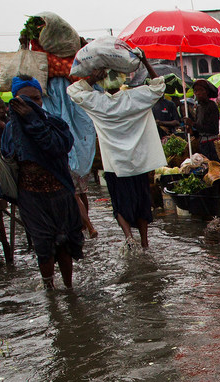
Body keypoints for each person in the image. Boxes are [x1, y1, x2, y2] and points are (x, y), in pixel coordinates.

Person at [68, 53, 167, 250]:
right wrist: (146, 61)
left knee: (120, 204)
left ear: (103, 81)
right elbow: (159, 86)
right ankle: (145, 242)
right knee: (141, 203)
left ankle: (129, 237)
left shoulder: (99, 103)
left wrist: (93, 77)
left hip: (115, 164)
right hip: (138, 163)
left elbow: (73, 90)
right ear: (122, 78)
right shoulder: (136, 97)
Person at [1, 76, 84, 290]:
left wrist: (33, 120)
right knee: (43, 246)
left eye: (36, 99)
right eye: (25, 100)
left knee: (65, 244)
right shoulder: (11, 131)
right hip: (32, 198)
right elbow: (10, 159)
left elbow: (57, 147)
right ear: (14, 101)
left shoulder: (53, 124)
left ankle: (69, 288)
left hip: (60, 193)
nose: (32, 104)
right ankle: (49, 290)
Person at [185, 79, 219, 161]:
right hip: (202, 144)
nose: (198, 93)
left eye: (201, 90)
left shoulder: (212, 106)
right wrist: (192, 131)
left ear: (207, 92)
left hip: (211, 144)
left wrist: (193, 124)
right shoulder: (199, 108)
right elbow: (200, 131)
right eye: (196, 91)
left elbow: (213, 129)